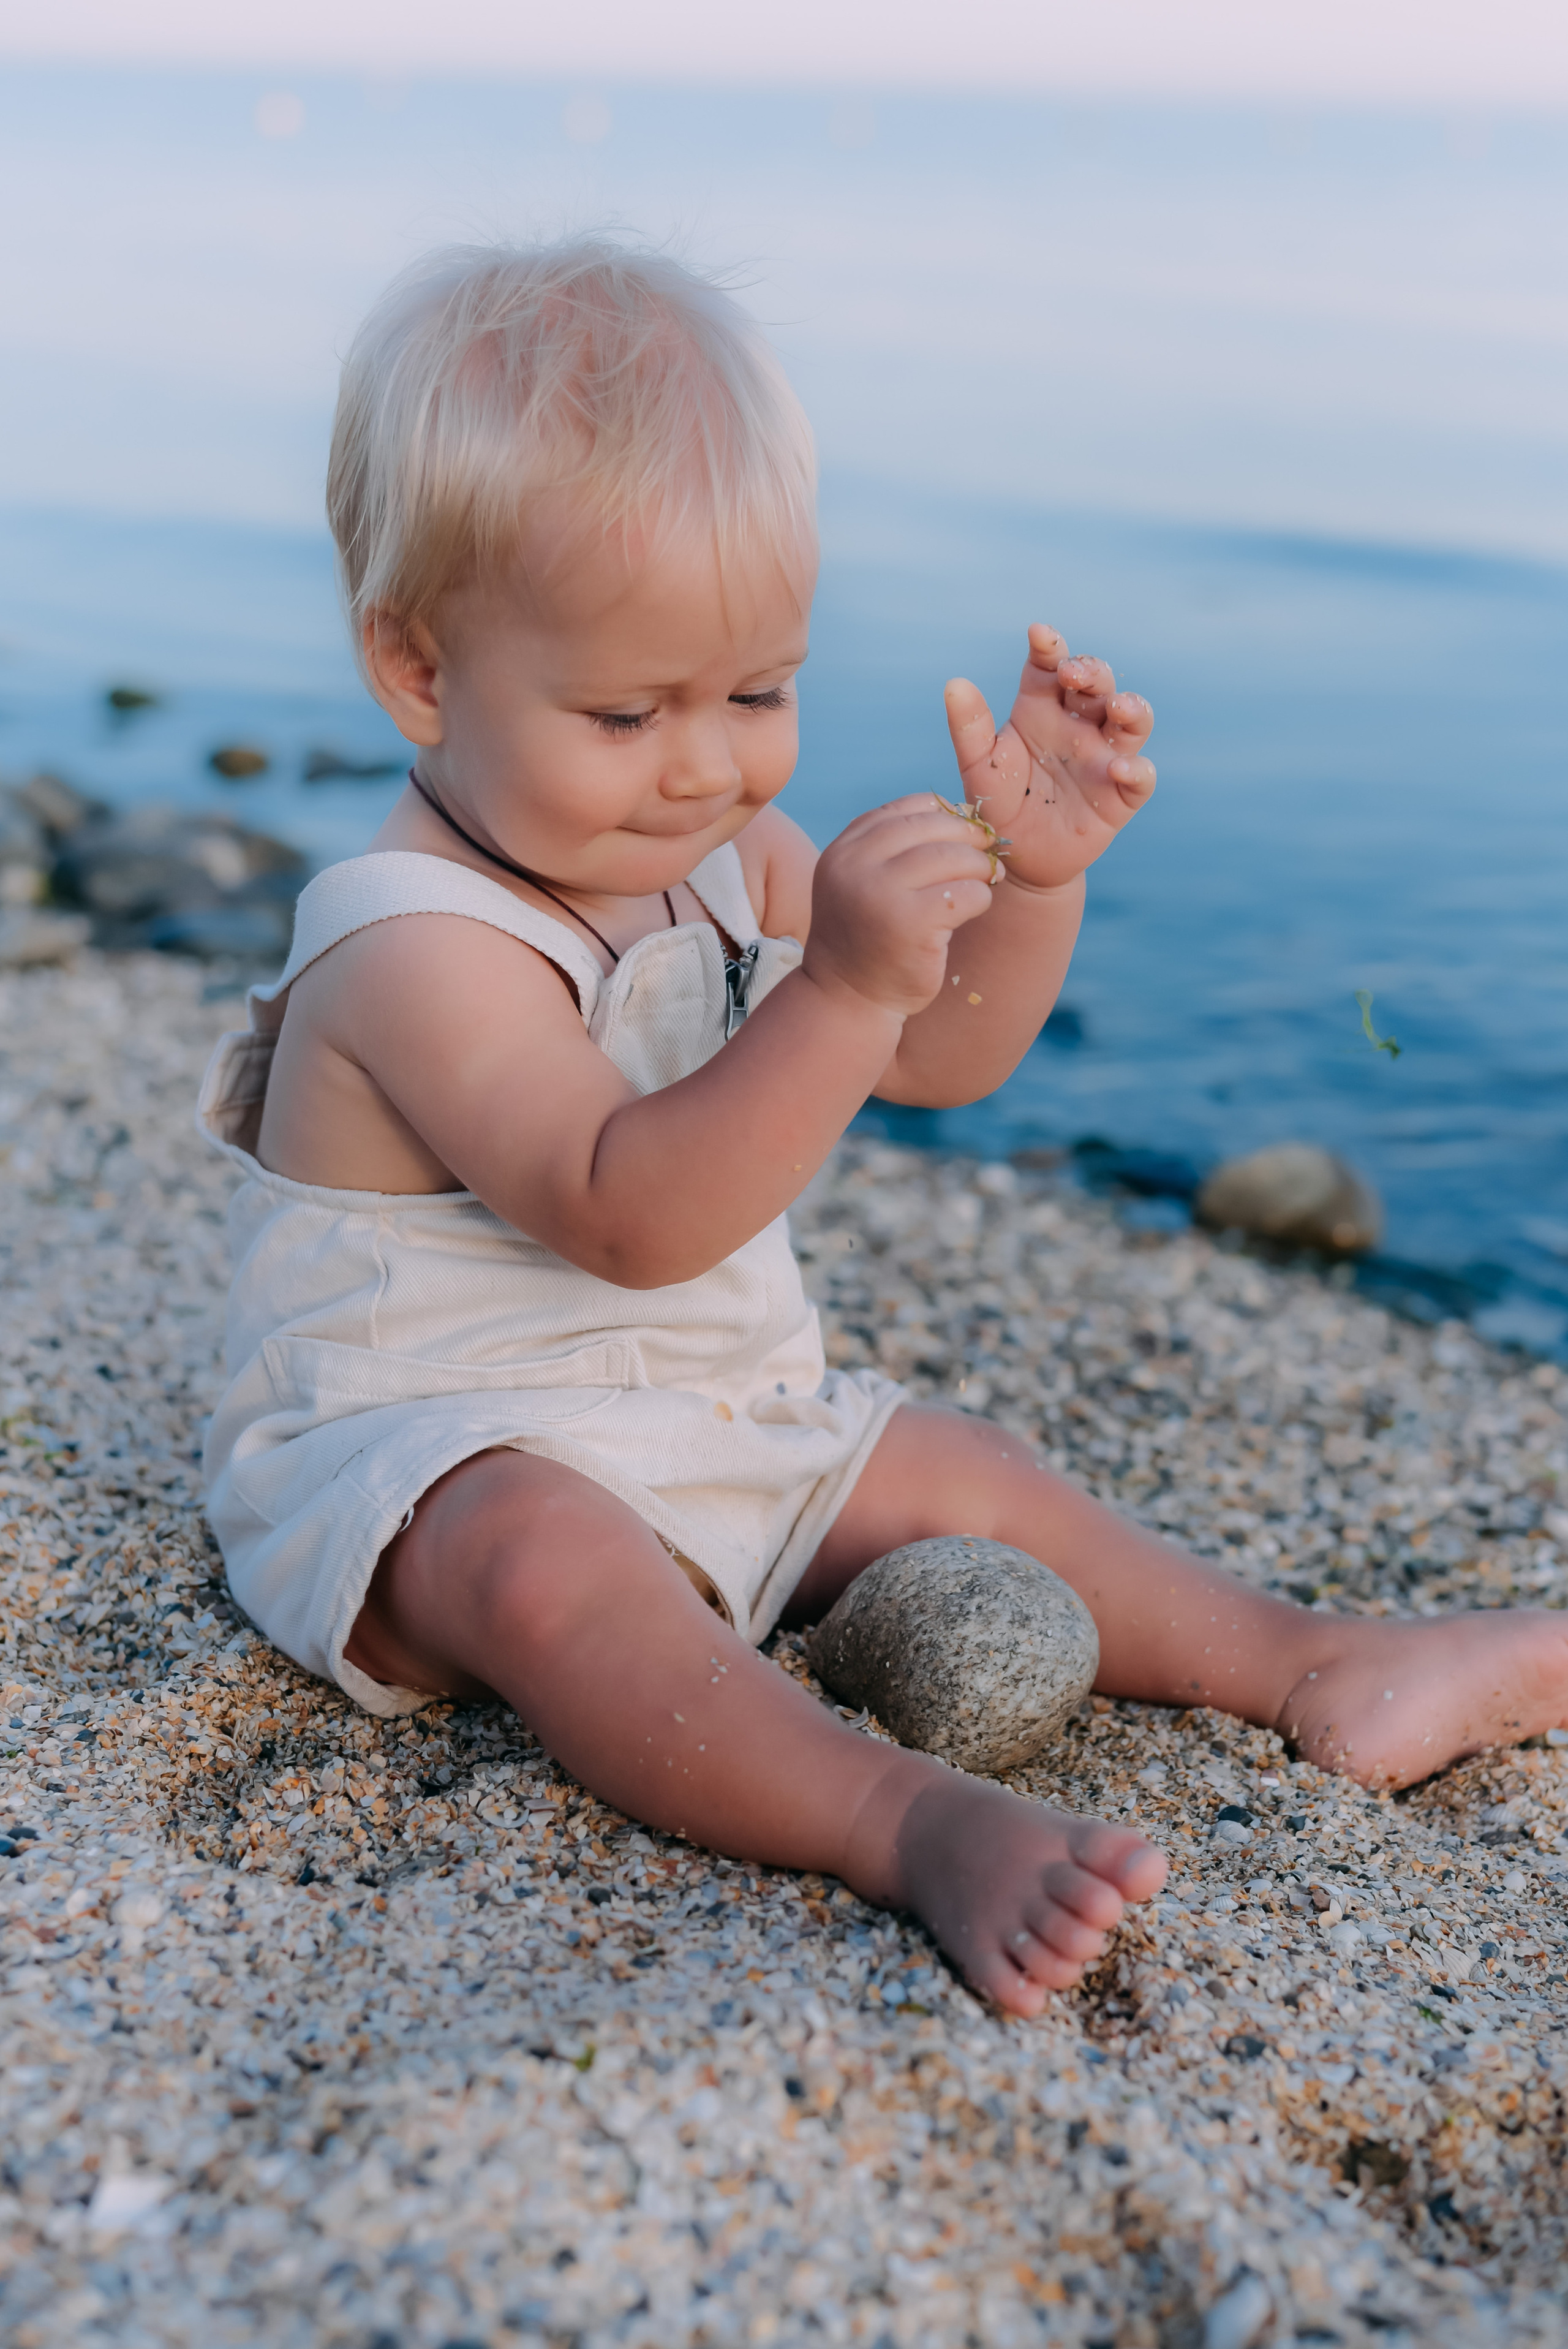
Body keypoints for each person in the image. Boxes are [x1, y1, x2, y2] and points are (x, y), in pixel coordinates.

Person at [199, 240, 1568, 2017]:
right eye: (627, 712)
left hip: (705, 1407)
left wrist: (1030, 889)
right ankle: (901, 1818)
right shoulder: (410, 947)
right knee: (545, 1567)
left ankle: (1320, 1663)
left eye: (757, 692)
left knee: (962, 1465)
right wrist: (834, 988)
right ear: (416, 668)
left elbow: (941, 1061)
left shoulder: (710, 851)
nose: (706, 767)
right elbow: (631, 1212)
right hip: (424, 1458)